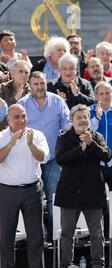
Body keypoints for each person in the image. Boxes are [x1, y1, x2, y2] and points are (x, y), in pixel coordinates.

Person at [55, 104, 111, 268]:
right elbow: (60, 159)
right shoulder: (64, 138)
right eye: (78, 117)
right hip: (70, 192)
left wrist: (90, 144)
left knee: (97, 233)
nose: (82, 120)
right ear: (72, 120)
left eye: (85, 117)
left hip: (93, 192)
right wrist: (80, 150)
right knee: (67, 234)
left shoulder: (97, 137)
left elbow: (106, 155)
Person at [17, 71, 71, 241]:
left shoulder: (57, 101)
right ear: (30, 85)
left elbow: (67, 125)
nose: (39, 87)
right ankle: (39, 236)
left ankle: (56, 237)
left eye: (42, 83)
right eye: (36, 84)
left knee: (54, 197)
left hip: (54, 159)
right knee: (33, 200)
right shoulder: (22, 104)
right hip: (30, 160)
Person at [0, 104, 49, 268]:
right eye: (16, 117)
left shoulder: (37, 135)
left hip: (32, 190)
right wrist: (11, 143)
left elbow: (43, 157)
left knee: (36, 233)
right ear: (8, 119)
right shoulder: (1, 137)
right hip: (6, 191)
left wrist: (30, 144)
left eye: (23, 116)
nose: (21, 120)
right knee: (6, 234)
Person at [0, 60, 30, 130]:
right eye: (20, 71)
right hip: (5, 131)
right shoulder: (2, 88)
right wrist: (15, 98)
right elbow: (2, 112)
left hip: (27, 130)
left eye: (26, 72)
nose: (24, 75)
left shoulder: (32, 90)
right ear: (12, 73)